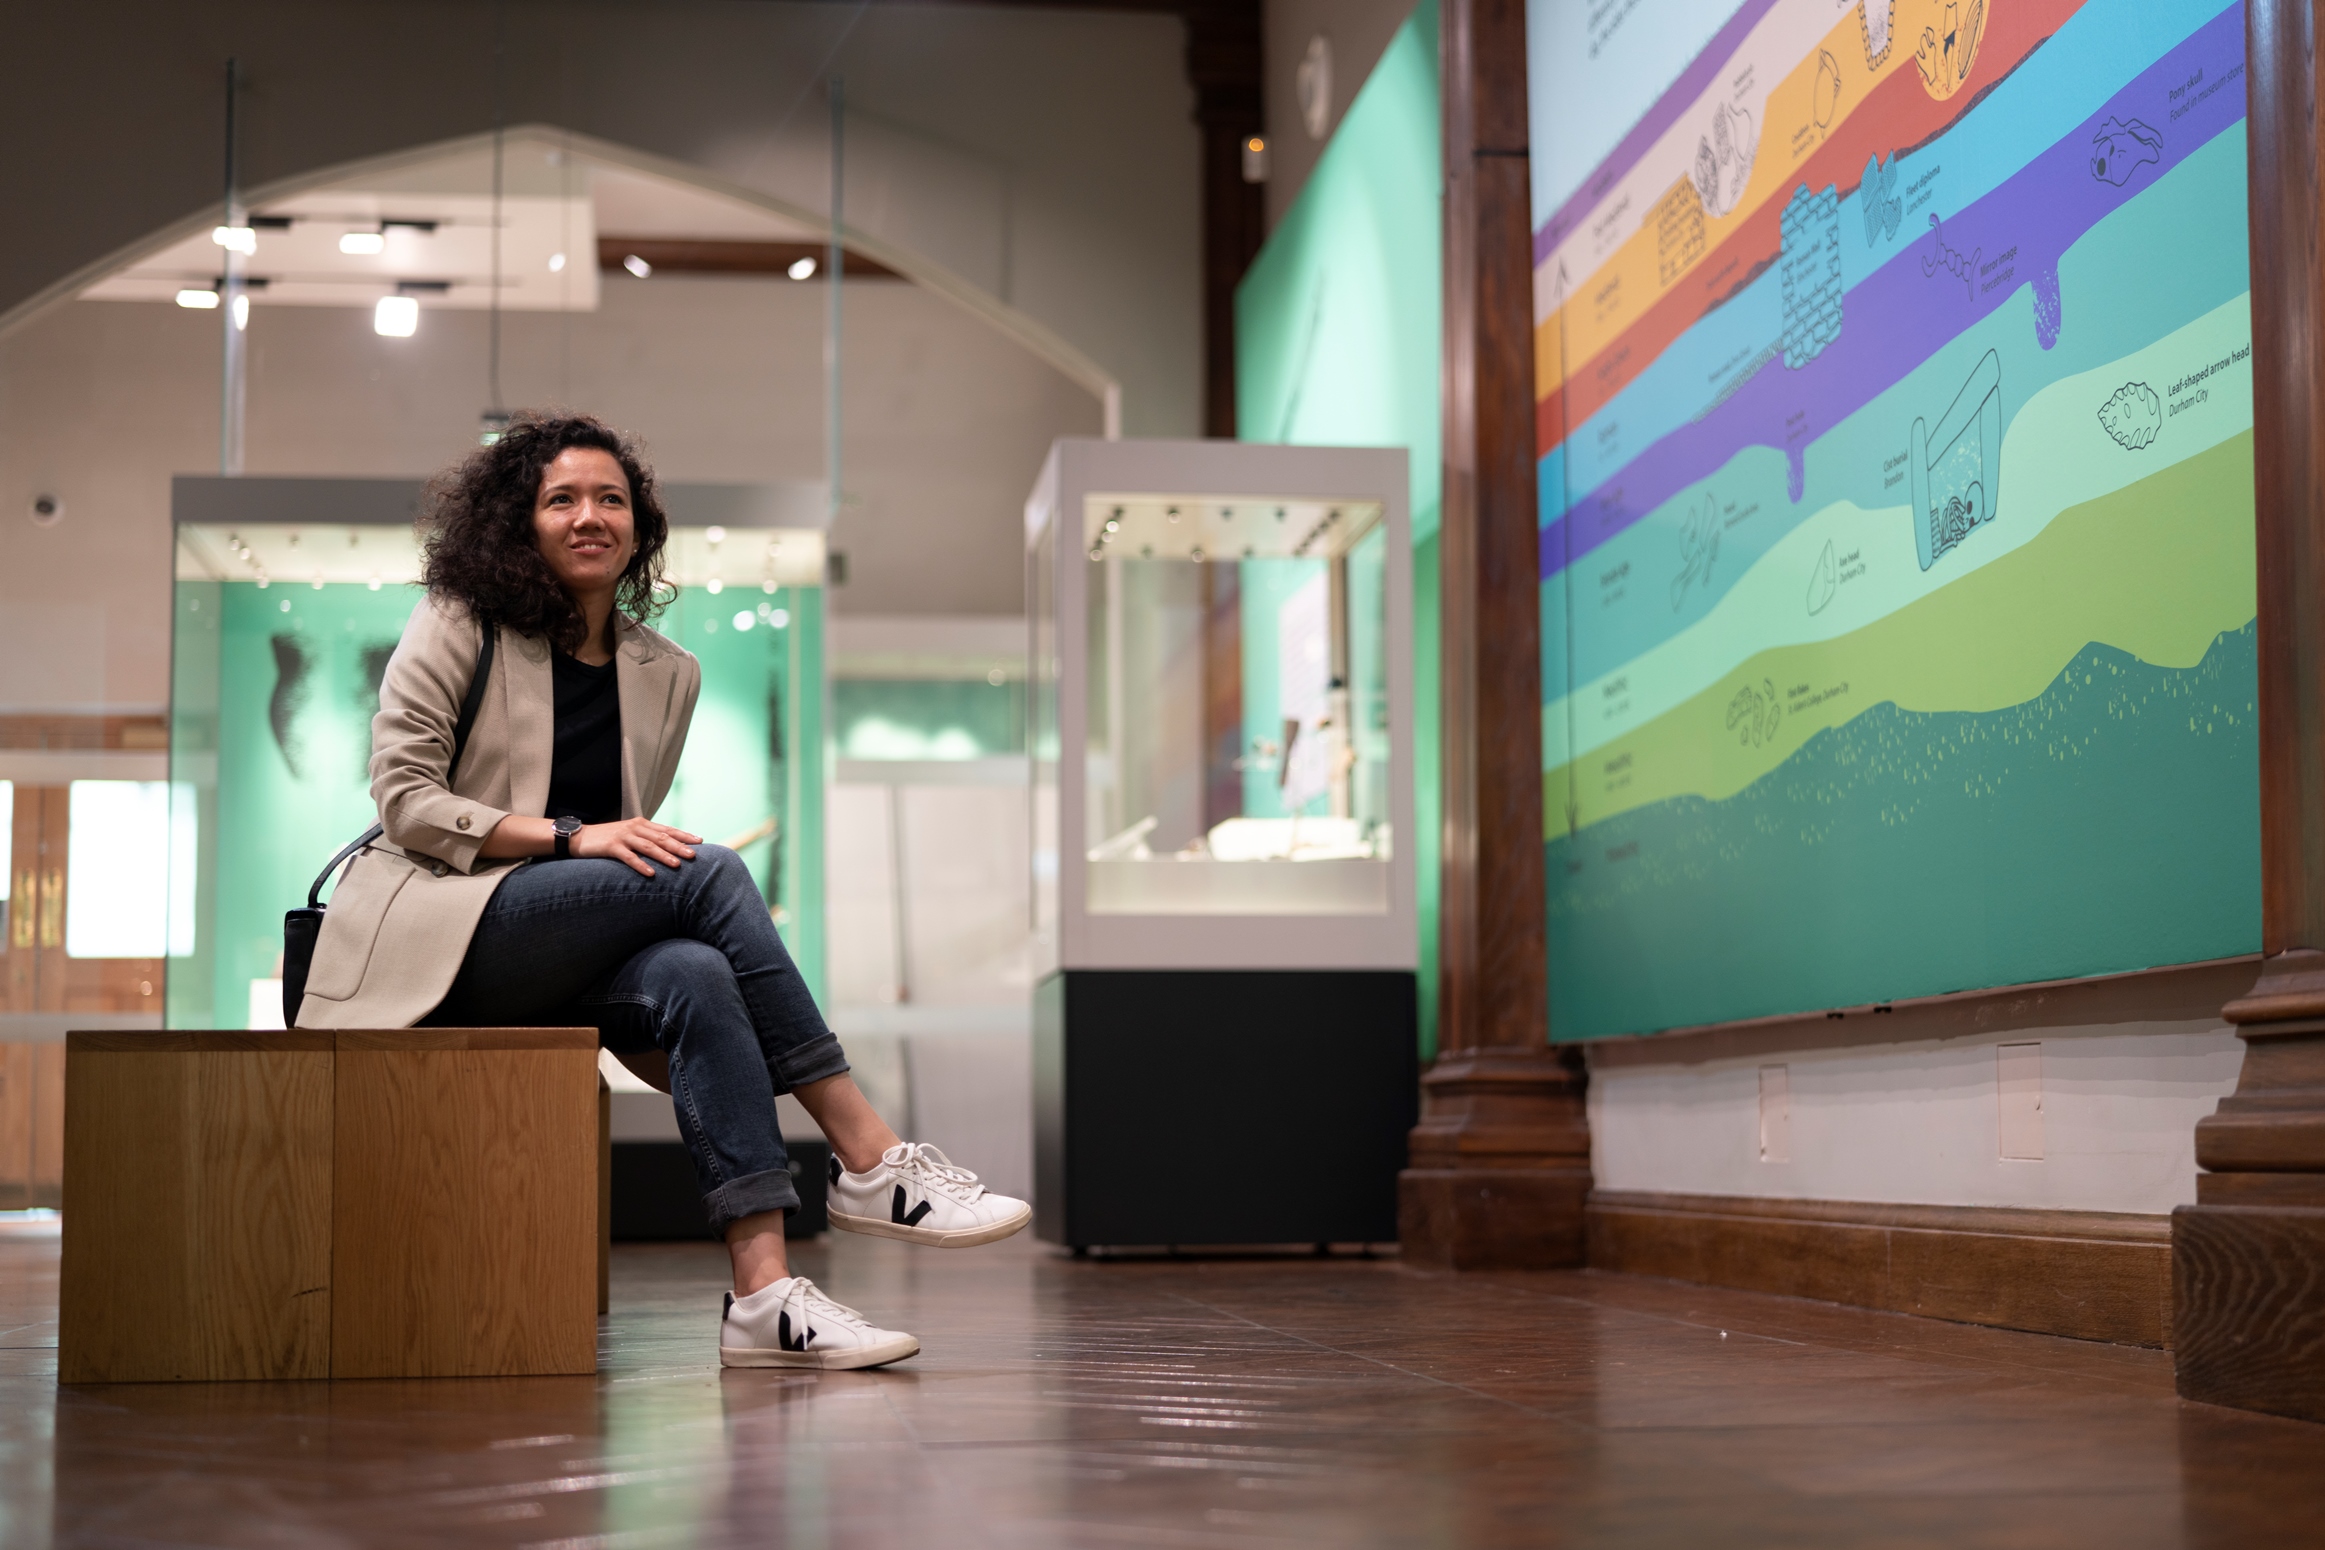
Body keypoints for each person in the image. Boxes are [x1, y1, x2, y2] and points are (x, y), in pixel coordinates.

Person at [296, 411, 1025, 1370]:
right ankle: (868, 1155)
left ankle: (764, 1299)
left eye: (610, 499)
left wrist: (600, 850)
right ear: (522, 523)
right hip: (444, 936)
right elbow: (405, 803)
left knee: (692, 971)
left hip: (558, 945)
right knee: (707, 866)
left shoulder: (663, 673)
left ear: (639, 526)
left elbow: (633, 834)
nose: (588, 515)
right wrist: (567, 835)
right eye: (561, 499)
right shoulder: (459, 623)